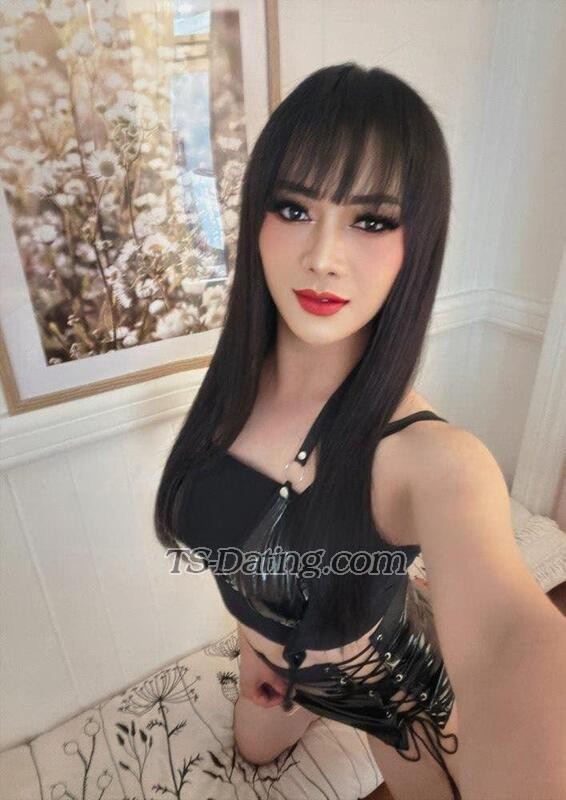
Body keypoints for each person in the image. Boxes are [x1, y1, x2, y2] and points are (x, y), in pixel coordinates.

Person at [154, 63, 566, 800]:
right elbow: (233, 543)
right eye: (293, 208)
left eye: (371, 220)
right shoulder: (232, 389)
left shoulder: (430, 460)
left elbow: (511, 640)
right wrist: (259, 651)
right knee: (251, 754)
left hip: (385, 688)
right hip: (274, 667)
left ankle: (408, 614)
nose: (323, 257)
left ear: (418, 243)